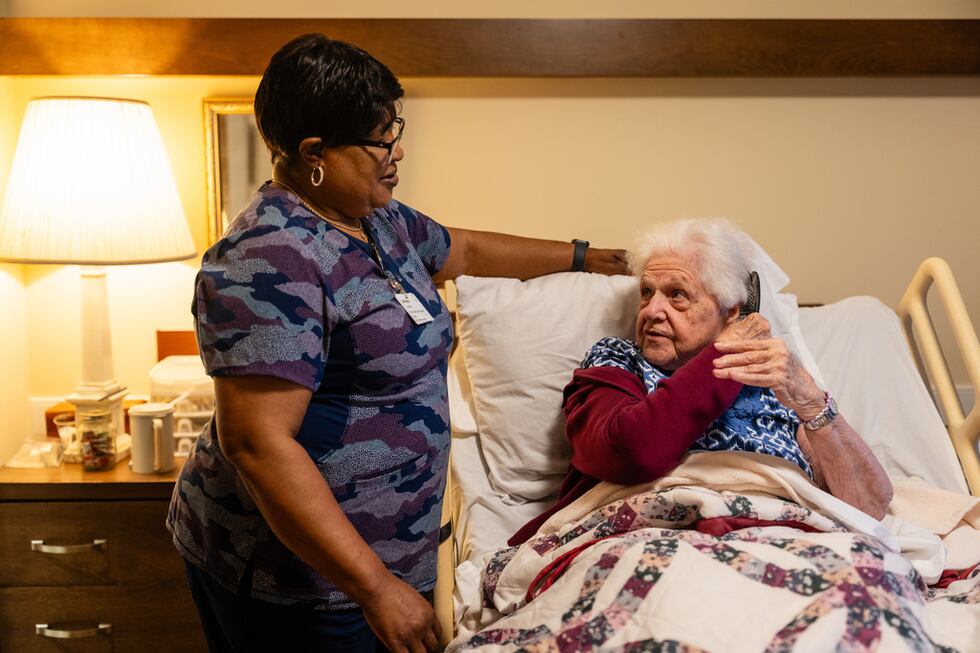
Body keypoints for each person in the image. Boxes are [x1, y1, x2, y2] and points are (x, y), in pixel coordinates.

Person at [166, 33, 628, 653]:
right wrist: (376, 588)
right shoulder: (268, 258)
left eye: (396, 128)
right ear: (314, 153)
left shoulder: (375, 217)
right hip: (300, 578)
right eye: (381, 139)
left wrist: (585, 257)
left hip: (385, 552)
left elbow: (462, 248)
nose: (398, 150)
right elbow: (257, 445)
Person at [510, 218, 893, 546]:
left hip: (783, 542)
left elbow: (868, 508)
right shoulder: (617, 359)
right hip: (651, 544)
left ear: (731, 312)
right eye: (647, 293)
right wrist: (721, 356)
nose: (652, 311)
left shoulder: (772, 383)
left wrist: (811, 403)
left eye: (677, 295)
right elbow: (628, 452)